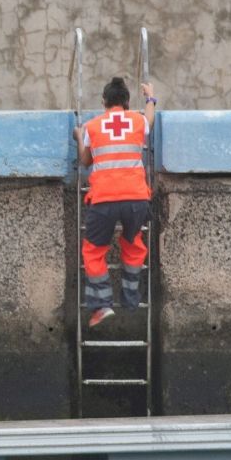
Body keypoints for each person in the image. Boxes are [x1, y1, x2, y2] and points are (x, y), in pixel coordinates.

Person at [74, 77, 158, 328]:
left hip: (104, 199)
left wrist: (79, 137)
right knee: (133, 245)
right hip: (136, 198)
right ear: (127, 102)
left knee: (93, 251)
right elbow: (150, 119)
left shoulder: (92, 126)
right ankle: (131, 300)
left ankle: (102, 305)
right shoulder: (137, 120)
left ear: (103, 102)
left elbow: (86, 161)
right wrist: (151, 97)